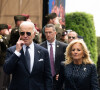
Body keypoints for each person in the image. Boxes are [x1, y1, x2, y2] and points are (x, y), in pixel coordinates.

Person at [3, 21, 52, 90]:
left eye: (28, 33)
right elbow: (7, 70)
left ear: (34, 34)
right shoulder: (12, 50)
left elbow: (48, 76)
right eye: (22, 33)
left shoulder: (43, 52)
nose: (25, 36)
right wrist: (17, 52)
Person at [40, 24, 67, 90]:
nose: (48, 34)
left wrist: (62, 74)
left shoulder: (63, 46)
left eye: (50, 32)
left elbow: (67, 62)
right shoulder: (40, 47)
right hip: (44, 80)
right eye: (46, 32)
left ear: (55, 33)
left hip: (58, 80)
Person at [0, 24, 10, 90]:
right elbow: (6, 45)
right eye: (5, 30)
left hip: (4, 61)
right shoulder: (2, 38)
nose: (7, 31)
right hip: (2, 61)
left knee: (5, 78)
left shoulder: (2, 37)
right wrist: (7, 35)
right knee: (2, 79)